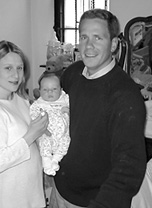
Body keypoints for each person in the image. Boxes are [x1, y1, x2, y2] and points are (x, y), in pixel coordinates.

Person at [49, 9, 147, 208]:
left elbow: (129, 169)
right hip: (59, 190)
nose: (89, 46)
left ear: (113, 44)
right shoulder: (73, 73)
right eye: (84, 37)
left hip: (91, 201)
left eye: (98, 38)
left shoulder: (125, 96)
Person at [0, 40, 49, 208]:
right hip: (8, 201)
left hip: (31, 195)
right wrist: (32, 134)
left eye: (19, 68)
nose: (16, 76)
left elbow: (33, 143)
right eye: (8, 68)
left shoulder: (20, 100)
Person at [30, 72, 70, 176]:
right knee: (44, 143)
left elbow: (76, 108)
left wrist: (69, 111)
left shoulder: (65, 99)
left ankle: (55, 160)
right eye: (45, 90)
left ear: (61, 90)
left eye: (54, 89)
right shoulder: (39, 104)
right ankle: (47, 163)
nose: (50, 92)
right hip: (47, 132)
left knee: (66, 143)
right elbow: (32, 115)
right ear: (39, 91)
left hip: (63, 133)